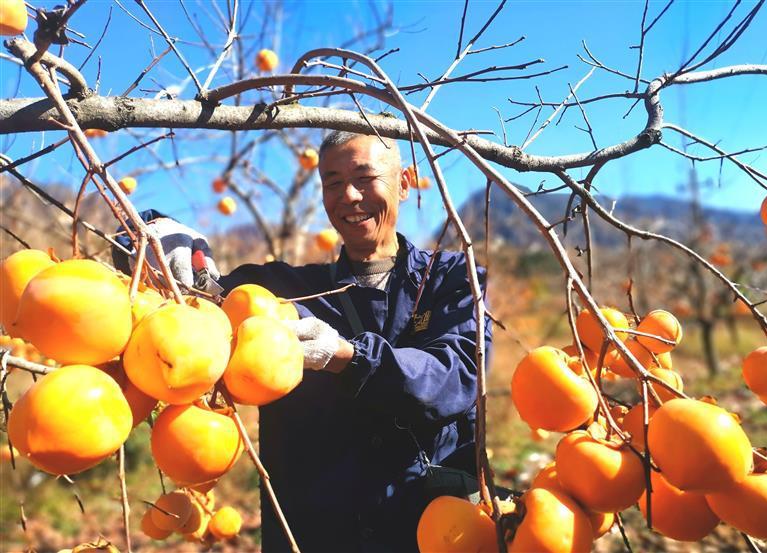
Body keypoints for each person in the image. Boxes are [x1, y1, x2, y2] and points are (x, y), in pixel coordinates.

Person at [116, 132, 491, 552]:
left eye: (365, 177)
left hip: (429, 530)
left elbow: (458, 374)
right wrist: (152, 233)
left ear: (404, 182)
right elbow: (201, 295)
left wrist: (346, 356)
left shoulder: (452, 278)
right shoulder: (283, 290)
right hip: (313, 533)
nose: (349, 195)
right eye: (332, 182)